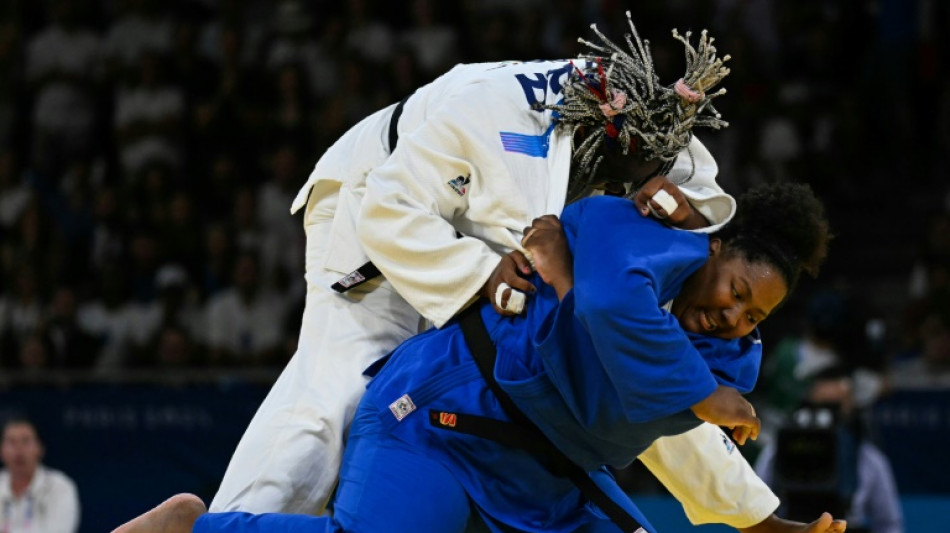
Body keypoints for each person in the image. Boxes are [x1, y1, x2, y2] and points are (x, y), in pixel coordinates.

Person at [211, 13, 800, 531]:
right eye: (636, 188)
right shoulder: (497, 118)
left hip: (499, 236)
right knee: (336, 394)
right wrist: (481, 276)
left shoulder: (664, 157)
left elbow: (648, 366)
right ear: (603, 146)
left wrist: (749, 513)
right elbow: (388, 210)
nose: (644, 204)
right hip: (377, 202)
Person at [112, 182, 843, 533]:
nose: (734, 315)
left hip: (550, 472)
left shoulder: (733, 358)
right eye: (736, 289)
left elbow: (672, 423)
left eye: (757, 314)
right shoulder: (647, 236)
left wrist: (775, 528)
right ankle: (190, 529)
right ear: (714, 248)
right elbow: (608, 308)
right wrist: (702, 393)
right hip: (445, 415)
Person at [755, 368, 902, 533]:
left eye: (835, 407)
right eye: (822, 405)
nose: (828, 414)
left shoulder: (868, 458)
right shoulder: (777, 451)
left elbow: (888, 524)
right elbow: (755, 510)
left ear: (851, 407)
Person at [0, 417, 81, 533]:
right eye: (12, 442)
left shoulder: (60, 486)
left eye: (25, 441)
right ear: (1, 450)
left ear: (40, 448)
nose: (19, 450)